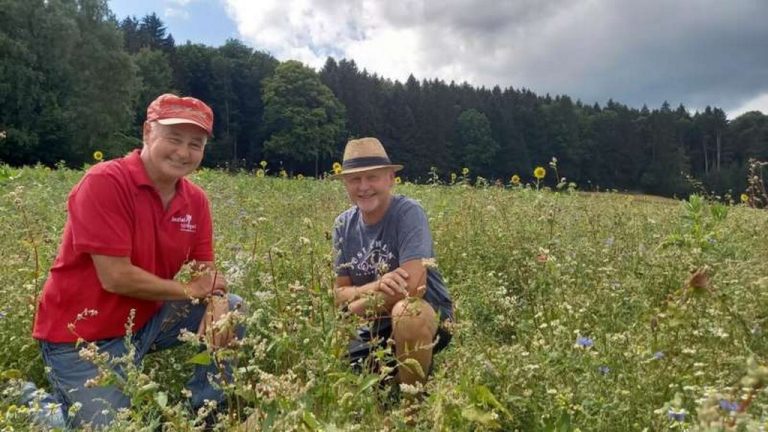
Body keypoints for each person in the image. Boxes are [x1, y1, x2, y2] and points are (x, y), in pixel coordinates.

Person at [32, 93, 244, 428]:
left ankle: (207, 413)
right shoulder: (106, 182)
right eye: (173, 138)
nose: (183, 152)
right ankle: (36, 407)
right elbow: (115, 277)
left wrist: (216, 298)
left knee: (233, 308)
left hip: (143, 323)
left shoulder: (195, 200)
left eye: (195, 143)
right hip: (81, 339)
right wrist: (194, 289)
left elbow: (207, 270)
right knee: (110, 426)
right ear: (147, 132)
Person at [331, 137, 453, 385]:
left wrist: (353, 309)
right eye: (355, 179)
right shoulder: (343, 225)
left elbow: (413, 288)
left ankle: (413, 405)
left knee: (408, 312)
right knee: (330, 358)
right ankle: (398, 374)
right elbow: (337, 293)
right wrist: (375, 287)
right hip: (374, 323)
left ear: (390, 179)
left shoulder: (408, 213)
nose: (363, 186)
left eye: (372, 177)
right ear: (346, 184)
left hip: (429, 314)